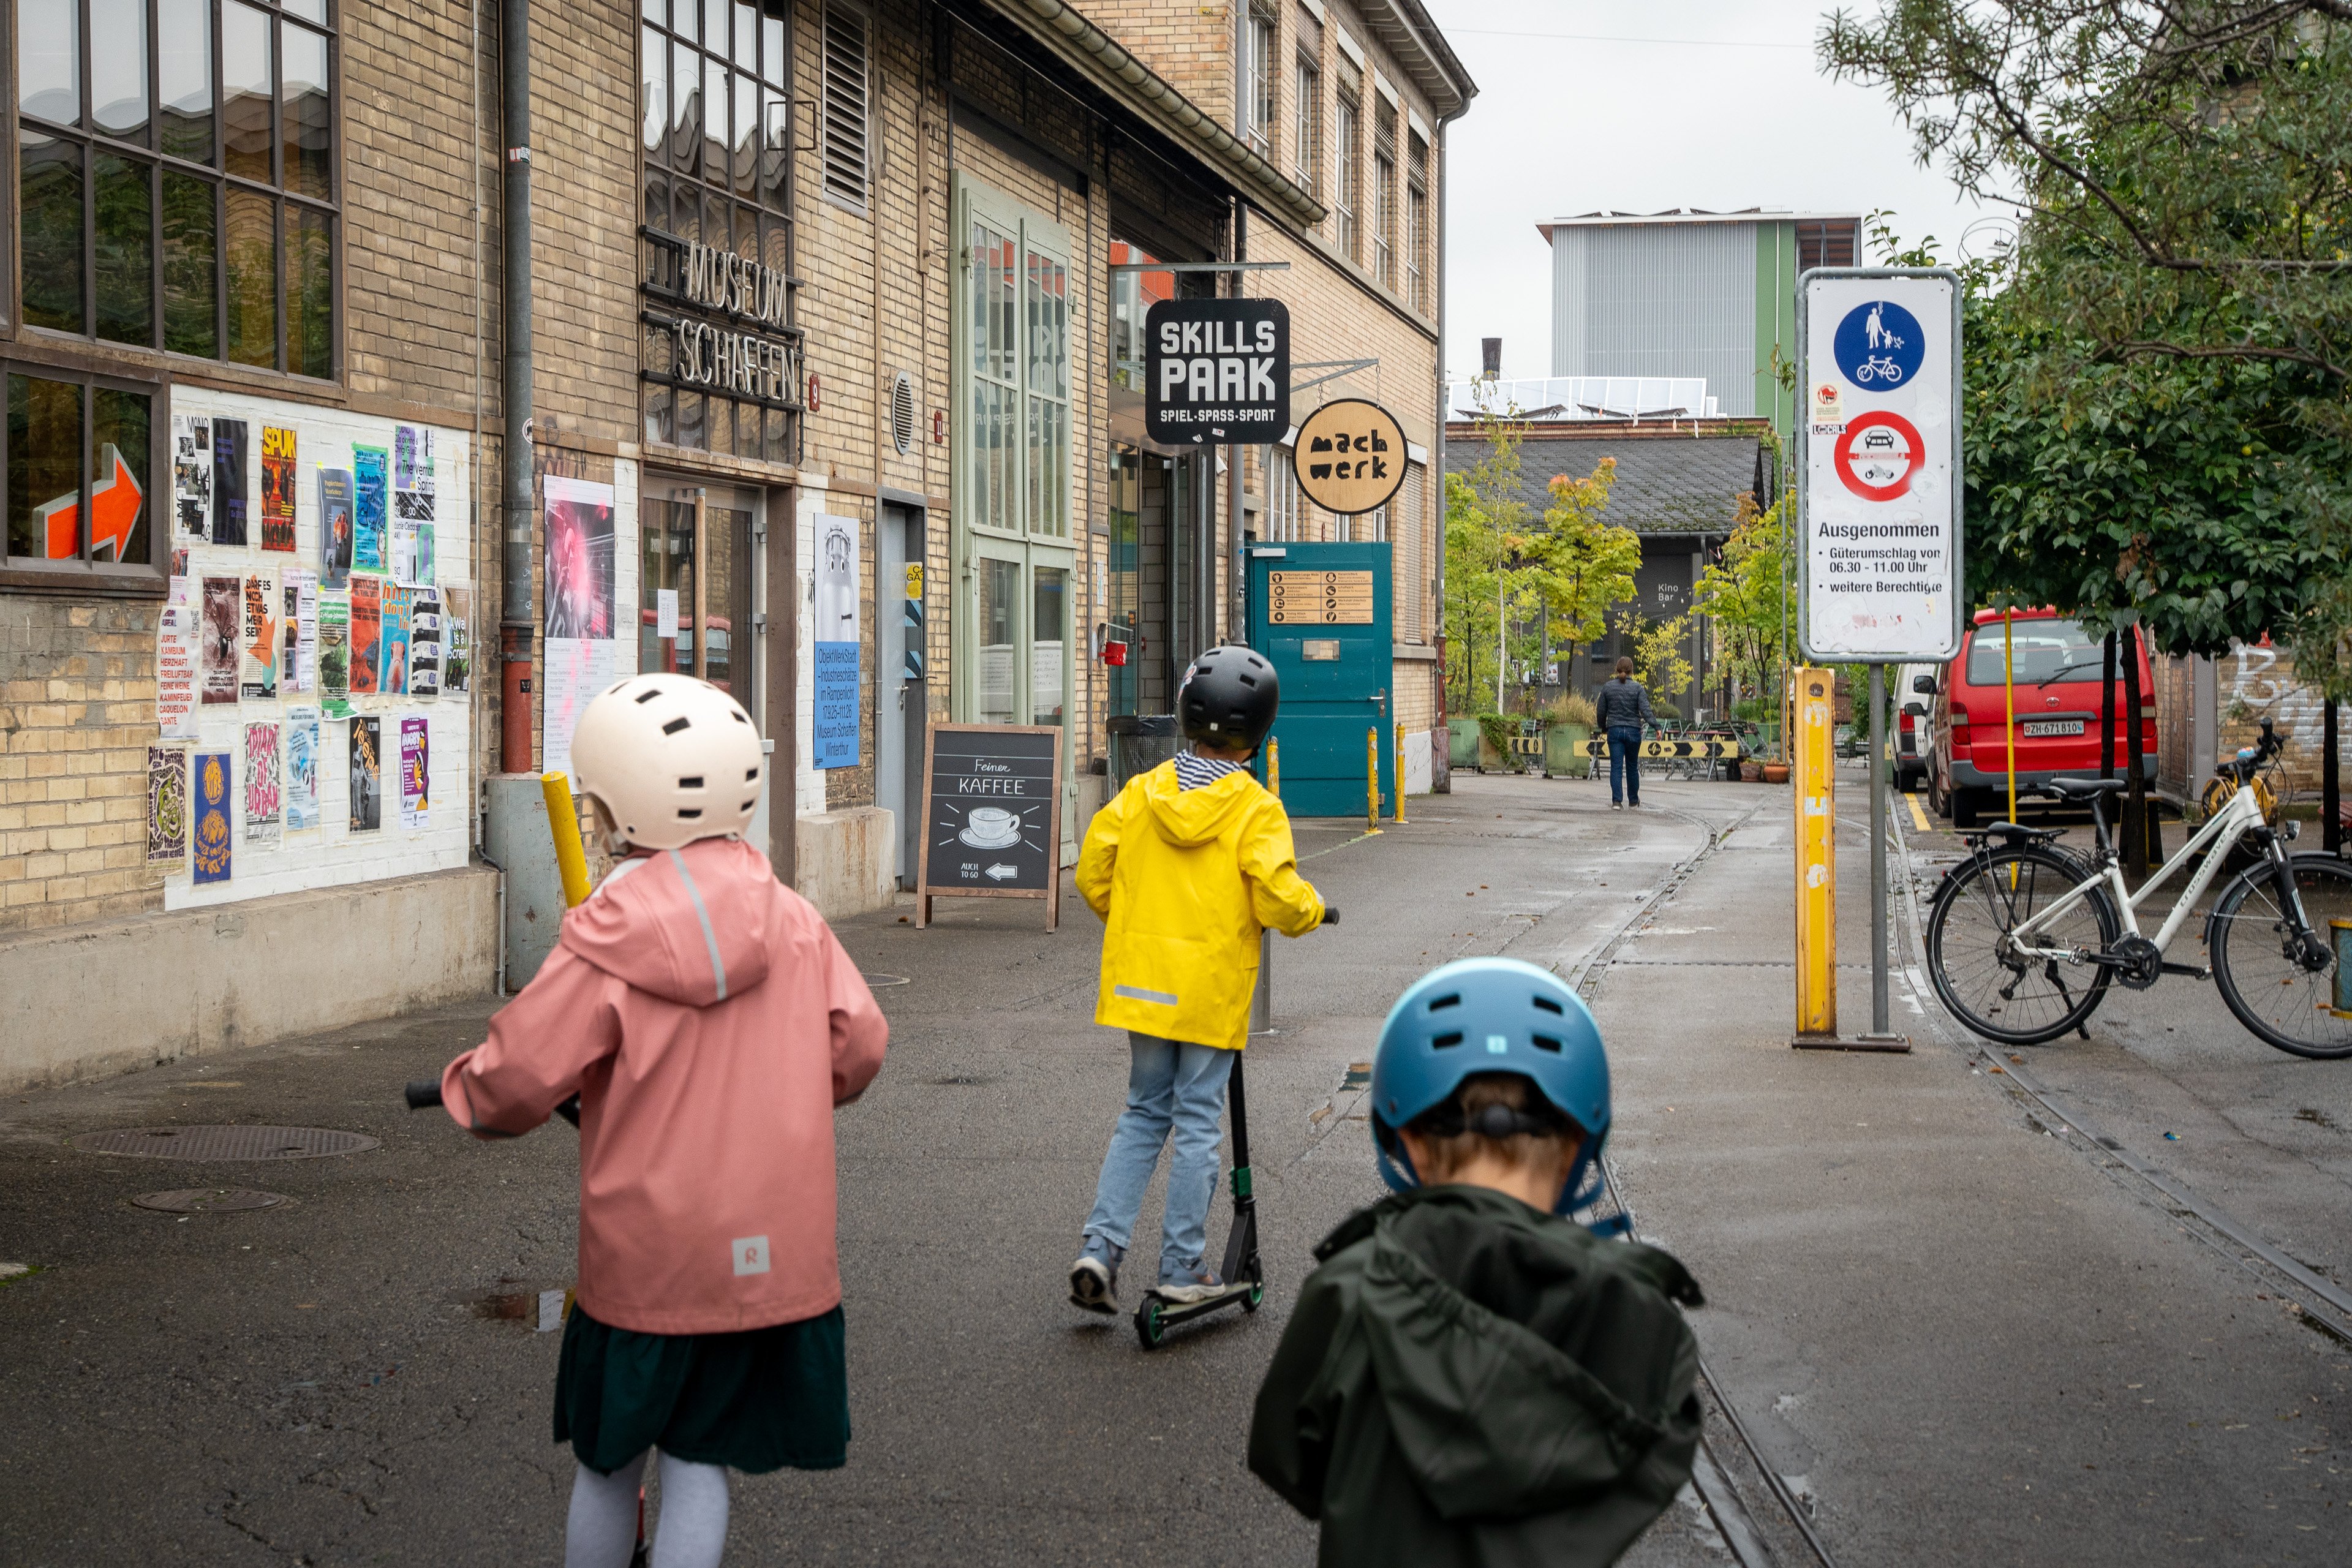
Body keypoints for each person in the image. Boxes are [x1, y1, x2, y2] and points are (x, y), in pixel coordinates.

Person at [436, 673, 887, 1568]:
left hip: (648, 1260)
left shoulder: (607, 936)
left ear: (612, 807)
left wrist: (468, 1092)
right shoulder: (795, 921)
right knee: (700, 1458)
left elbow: (519, 1075)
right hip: (767, 1253)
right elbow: (859, 1044)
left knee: (611, 1461)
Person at [1248, 956, 1704, 1567]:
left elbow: (1288, 1456)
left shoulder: (1351, 1288)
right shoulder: (1638, 1315)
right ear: (1577, 1148)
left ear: (1406, 1140)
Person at [1069, 644, 1327, 1314]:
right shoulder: (1255, 809)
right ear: (1259, 732)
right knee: (1197, 1119)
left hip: (1141, 980)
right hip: (1208, 990)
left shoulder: (1141, 793)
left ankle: (1101, 1246)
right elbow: (1275, 896)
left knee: (1143, 1111)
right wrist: (1312, 910)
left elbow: (1093, 872)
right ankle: (1183, 1264)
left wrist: (1132, 923)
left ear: (1185, 716)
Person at [1595, 656, 1658, 810]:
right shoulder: (1637, 688)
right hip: (1633, 731)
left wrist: (1603, 727)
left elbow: (1601, 711)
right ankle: (1633, 801)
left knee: (1616, 766)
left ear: (1617, 670)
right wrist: (1656, 727)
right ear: (1632, 670)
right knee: (1632, 766)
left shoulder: (1608, 687)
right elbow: (1645, 710)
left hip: (1615, 730)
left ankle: (1617, 802)